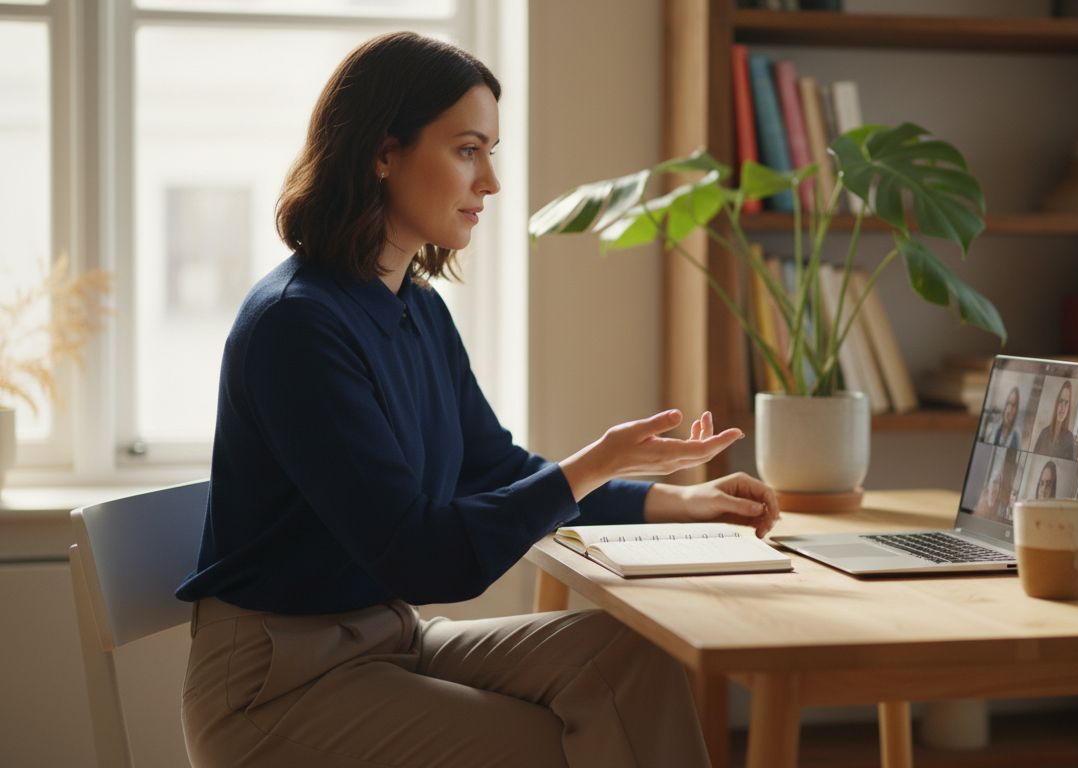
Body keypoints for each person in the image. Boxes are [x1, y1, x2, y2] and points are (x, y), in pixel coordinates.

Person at [174, 32, 779, 768]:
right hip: (275, 688)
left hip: (387, 641)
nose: (490, 181)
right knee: (563, 746)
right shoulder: (296, 325)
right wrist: (591, 464)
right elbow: (425, 558)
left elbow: (498, 471)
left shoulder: (417, 309)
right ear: (382, 153)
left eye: (491, 151)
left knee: (629, 659)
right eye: (467, 150)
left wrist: (680, 503)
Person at [1033, 379, 1077, 460]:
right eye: (1061, 401)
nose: (1062, 407)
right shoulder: (1044, 433)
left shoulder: (1069, 439)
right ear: (1057, 403)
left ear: (1069, 408)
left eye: (1066, 402)